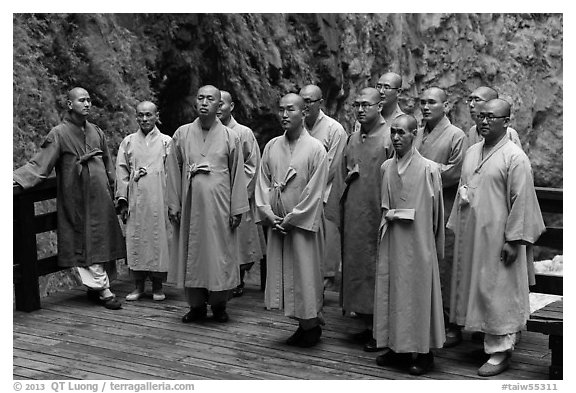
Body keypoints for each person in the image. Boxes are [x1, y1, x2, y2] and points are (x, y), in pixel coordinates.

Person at [447, 99, 545, 376]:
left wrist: (514, 240)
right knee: (478, 286)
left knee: (499, 291)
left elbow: (522, 200)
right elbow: (464, 188)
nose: (485, 121)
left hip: (499, 239)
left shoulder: (515, 157)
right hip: (475, 234)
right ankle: (485, 337)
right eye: (481, 116)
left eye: (492, 117)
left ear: (506, 121)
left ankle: (501, 350)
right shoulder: (473, 152)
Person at [13, 87, 125, 310]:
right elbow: (40, 164)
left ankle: (99, 286)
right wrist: (16, 179)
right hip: (78, 200)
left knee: (103, 239)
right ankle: (103, 290)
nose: (87, 104)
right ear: (69, 104)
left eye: (89, 100)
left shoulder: (97, 132)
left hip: (101, 198)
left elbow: (109, 165)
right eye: (81, 100)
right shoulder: (59, 133)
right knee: (86, 241)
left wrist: (117, 191)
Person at [166, 85, 249, 323]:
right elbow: (173, 170)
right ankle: (196, 306)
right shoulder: (181, 134)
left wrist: (237, 209)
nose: (204, 102)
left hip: (219, 207)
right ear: (195, 103)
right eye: (200, 98)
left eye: (210, 99)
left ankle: (219, 304)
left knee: (219, 254)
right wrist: (174, 203)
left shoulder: (230, 136)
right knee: (192, 252)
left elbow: (238, 174)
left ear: (219, 105)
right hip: (191, 205)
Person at [373, 114, 446, 375]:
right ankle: (397, 349)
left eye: (402, 132)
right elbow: (383, 205)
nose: (395, 137)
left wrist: (434, 247)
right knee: (394, 292)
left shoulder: (429, 169)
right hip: (393, 239)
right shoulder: (386, 168)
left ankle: (424, 353)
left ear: (414, 134)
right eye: (393, 132)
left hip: (418, 242)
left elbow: (437, 214)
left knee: (418, 294)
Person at [255, 93, 329, 347]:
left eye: (291, 110)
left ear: (304, 113)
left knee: (306, 274)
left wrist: (293, 218)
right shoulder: (272, 146)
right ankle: (303, 324)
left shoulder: (317, 149)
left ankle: (310, 325)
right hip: (278, 223)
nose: (284, 115)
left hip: (301, 225)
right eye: (281, 110)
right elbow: (262, 182)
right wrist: (267, 213)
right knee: (287, 275)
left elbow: (315, 191)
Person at [333, 87, 394, 351]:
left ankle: (382, 331)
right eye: (356, 104)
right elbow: (341, 173)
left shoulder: (391, 137)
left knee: (378, 269)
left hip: (378, 212)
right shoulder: (352, 138)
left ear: (379, 106)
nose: (360, 109)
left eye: (366, 105)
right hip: (356, 213)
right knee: (358, 267)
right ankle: (368, 325)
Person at [414, 86, 468, 346]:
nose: (425, 107)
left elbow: (455, 172)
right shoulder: (417, 133)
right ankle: (423, 318)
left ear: (445, 106)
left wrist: (422, 171)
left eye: (432, 102)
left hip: (444, 209)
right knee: (421, 262)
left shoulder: (456, 135)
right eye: (422, 102)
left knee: (444, 265)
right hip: (417, 208)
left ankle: (450, 322)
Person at [115, 101, 172, 301]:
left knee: (158, 240)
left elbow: (172, 173)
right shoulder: (128, 142)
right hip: (136, 199)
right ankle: (138, 286)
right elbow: (121, 171)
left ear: (157, 116)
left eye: (149, 115)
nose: (145, 119)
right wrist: (122, 200)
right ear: (136, 117)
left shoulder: (167, 142)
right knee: (136, 239)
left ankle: (157, 286)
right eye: (140, 115)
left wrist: (173, 202)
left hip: (159, 198)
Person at [298, 84, 347, 290]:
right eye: (302, 100)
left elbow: (332, 166)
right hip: (299, 193)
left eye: (309, 101)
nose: (305, 105)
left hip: (324, 194)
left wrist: (308, 188)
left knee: (326, 243)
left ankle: (323, 284)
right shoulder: (296, 125)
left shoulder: (334, 129)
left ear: (321, 103)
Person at [217, 90, 264, 297]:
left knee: (241, 243)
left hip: (237, 197)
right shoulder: (207, 132)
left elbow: (252, 166)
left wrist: (235, 193)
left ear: (232, 106)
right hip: (214, 198)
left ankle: (238, 280)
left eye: (222, 105)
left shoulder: (243, 133)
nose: (218, 109)